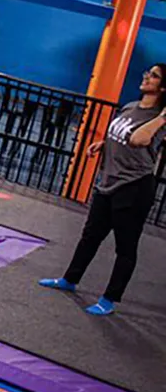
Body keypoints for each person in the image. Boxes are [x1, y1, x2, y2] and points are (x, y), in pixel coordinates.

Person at [39, 63, 166, 315]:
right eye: (147, 73)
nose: (146, 77)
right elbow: (118, 134)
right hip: (108, 182)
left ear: (163, 87)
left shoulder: (158, 120)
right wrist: (103, 144)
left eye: (153, 76)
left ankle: (109, 298)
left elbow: (138, 139)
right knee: (90, 236)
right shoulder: (130, 106)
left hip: (134, 188)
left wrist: (163, 116)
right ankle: (70, 279)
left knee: (125, 247)